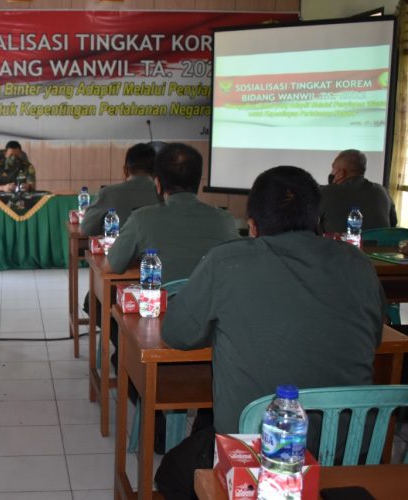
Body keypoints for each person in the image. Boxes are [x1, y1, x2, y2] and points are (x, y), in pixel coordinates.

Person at [154, 166, 386, 499]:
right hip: (350, 452)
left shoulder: (227, 261)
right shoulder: (358, 263)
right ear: (318, 218)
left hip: (260, 456)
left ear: (252, 225)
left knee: (171, 472)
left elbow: (175, 334)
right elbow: (373, 339)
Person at [107, 142, 238, 277]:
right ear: (198, 182)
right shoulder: (225, 220)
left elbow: (111, 265)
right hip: (214, 297)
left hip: (165, 298)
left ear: (157, 184)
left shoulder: (141, 218)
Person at [79, 142, 161, 236]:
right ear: (155, 171)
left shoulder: (108, 193)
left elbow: (86, 229)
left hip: (120, 249)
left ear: (125, 170)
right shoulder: (165, 194)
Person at [319, 149, 397, 232]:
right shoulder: (383, 191)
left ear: (341, 173)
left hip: (340, 245)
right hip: (379, 244)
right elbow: (393, 224)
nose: (331, 172)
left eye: (333, 168)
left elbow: (310, 227)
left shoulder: (325, 192)